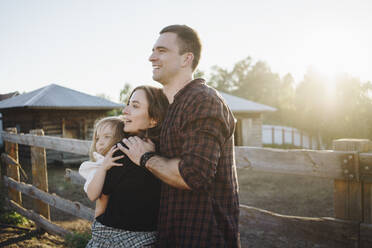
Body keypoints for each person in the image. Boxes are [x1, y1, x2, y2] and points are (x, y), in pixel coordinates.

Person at [120, 25, 241, 247]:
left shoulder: (203, 101)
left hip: (204, 236)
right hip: (171, 235)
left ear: (186, 59)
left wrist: (146, 158)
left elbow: (194, 174)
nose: (151, 57)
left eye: (162, 51)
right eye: (153, 50)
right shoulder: (170, 106)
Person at [83, 86, 169, 248]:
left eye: (135, 106)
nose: (125, 110)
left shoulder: (123, 149)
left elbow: (101, 199)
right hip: (149, 236)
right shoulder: (167, 150)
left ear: (153, 120)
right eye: (128, 104)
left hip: (114, 236)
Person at [78, 116, 126, 218]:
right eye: (97, 138)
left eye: (107, 136)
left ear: (120, 138)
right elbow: (92, 195)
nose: (100, 142)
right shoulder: (99, 164)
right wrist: (103, 168)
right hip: (105, 221)